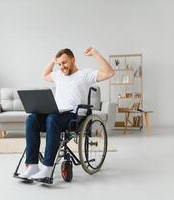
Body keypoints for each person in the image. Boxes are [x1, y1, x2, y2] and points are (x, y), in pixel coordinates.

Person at [19, 47, 115, 181]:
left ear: (73, 60)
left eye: (64, 63)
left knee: (52, 119)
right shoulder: (58, 75)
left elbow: (109, 72)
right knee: (32, 119)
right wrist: (53, 61)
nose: (62, 67)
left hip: (75, 116)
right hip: (57, 113)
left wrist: (95, 53)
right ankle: (33, 166)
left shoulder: (84, 74)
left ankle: (47, 168)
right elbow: (44, 75)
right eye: (59, 64)